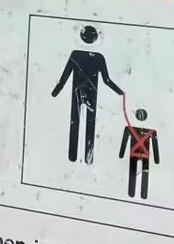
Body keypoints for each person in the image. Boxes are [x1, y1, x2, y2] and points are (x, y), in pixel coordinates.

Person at [50, 25, 124, 165]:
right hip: (90, 93)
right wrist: (119, 91)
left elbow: (64, 77)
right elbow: (107, 81)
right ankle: (87, 159)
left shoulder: (77, 55)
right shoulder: (98, 57)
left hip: (77, 92)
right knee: (89, 124)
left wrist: (57, 90)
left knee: (75, 122)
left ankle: (74, 156)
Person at [118, 108, 161, 200]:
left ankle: (132, 193)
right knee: (142, 174)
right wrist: (157, 159)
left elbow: (124, 141)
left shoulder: (130, 128)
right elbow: (155, 144)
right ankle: (141, 194)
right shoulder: (151, 131)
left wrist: (121, 154)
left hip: (134, 154)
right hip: (144, 155)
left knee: (133, 173)